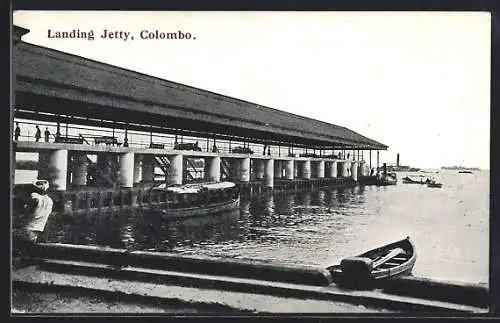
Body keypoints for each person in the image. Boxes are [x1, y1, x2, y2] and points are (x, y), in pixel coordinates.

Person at [13, 180, 54, 253]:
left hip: (26, 230)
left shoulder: (35, 197)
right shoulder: (50, 201)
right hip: (37, 232)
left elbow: (26, 213)